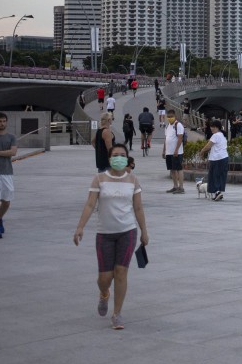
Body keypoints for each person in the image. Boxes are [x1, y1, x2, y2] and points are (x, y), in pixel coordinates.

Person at [73, 143, 149, 330]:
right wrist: (80, 227)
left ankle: (117, 314)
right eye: (115, 155)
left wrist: (144, 231)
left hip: (127, 231)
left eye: (122, 155)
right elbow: (90, 205)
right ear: (109, 158)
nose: (119, 158)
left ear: (127, 158)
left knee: (121, 273)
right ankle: (104, 293)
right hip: (105, 233)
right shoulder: (99, 179)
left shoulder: (133, 180)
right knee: (105, 278)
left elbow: (138, 207)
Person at [197, 120, 229, 201]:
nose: (212, 128)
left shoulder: (215, 135)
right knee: (220, 176)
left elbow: (208, 145)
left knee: (214, 176)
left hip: (217, 159)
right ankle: (218, 192)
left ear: (218, 127)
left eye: (213, 127)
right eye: (211, 126)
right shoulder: (222, 135)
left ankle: (217, 192)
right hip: (224, 158)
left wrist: (202, 151)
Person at [162, 109, 185, 194]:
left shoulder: (178, 125)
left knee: (178, 168)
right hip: (169, 151)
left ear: (175, 116)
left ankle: (181, 187)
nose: (169, 118)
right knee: (172, 169)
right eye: (168, 117)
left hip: (177, 152)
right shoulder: (167, 126)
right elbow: (166, 139)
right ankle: (175, 186)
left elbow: (180, 138)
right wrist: (164, 150)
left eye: (171, 116)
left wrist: (176, 150)